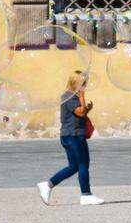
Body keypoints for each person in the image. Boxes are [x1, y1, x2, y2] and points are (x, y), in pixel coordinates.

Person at [36, 70, 103, 207]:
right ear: (77, 83)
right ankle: (86, 195)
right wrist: (82, 96)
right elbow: (80, 112)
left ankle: (47, 185)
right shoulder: (70, 96)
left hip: (69, 135)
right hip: (74, 136)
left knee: (74, 166)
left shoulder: (70, 96)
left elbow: (79, 114)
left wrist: (86, 109)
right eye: (83, 83)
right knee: (84, 164)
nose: (86, 85)